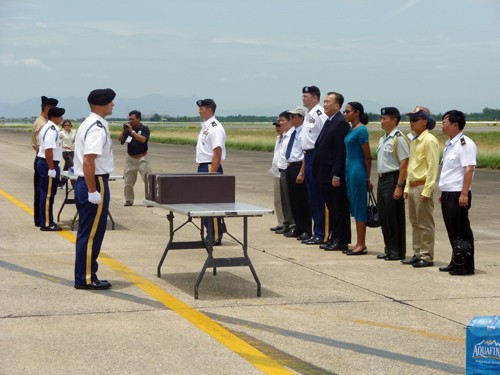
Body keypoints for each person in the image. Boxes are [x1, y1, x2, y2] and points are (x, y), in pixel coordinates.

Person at [73, 88, 116, 290]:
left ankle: (86, 274)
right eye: (111, 102)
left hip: (89, 180)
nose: (113, 105)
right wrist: (93, 190)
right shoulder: (97, 127)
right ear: (101, 104)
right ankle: (87, 277)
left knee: (87, 232)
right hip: (94, 181)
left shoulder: (88, 123)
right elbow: (89, 160)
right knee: (91, 234)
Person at [438, 110, 476, 276]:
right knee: (452, 230)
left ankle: (466, 265)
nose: (442, 125)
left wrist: (464, 193)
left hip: (458, 193)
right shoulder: (450, 144)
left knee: (462, 230)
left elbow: (469, 169)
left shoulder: (464, 143)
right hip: (448, 192)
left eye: (445, 122)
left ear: (455, 124)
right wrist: (443, 191)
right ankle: (456, 261)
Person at [402, 106, 440, 268]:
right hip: (413, 186)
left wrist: (428, 189)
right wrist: (406, 187)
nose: (412, 123)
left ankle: (427, 255)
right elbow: (412, 165)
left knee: (425, 223)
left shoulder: (429, 140)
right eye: (410, 120)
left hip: (422, 186)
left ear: (425, 122)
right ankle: (417, 253)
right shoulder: (415, 140)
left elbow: (432, 167)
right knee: (415, 222)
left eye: (415, 120)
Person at [314, 92, 351, 251]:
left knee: (338, 208)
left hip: (332, 174)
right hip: (323, 173)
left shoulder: (341, 122)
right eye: (325, 101)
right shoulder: (329, 121)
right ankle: (333, 237)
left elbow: (340, 151)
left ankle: (340, 240)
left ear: (337, 105)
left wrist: (336, 174)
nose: (325, 104)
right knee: (331, 207)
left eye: (328, 102)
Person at [376, 107, 410, 261]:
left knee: (394, 216)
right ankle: (388, 248)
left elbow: (404, 163)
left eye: (384, 119)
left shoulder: (399, 138)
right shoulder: (383, 138)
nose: (381, 121)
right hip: (382, 179)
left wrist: (399, 186)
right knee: (384, 216)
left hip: (393, 179)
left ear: (394, 120)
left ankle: (397, 251)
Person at [300, 86, 329, 245]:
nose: (303, 98)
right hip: (307, 156)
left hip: (316, 156)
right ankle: (316, 230)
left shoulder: (319, 114)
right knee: (312, 196)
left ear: (315, 98)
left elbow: (325, 136)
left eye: (306, 96)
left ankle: (322, 233)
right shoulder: (308, 115)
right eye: (303, 96)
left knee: (318, 196)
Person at [343, 102, 372, 255]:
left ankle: (361, 243)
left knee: (360, 206)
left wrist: (368, 178)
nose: (345, 114)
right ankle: (358, 242)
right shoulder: (350, 129)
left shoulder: (361, 130)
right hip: (349, 170)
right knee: (354, 205)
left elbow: (367, 157)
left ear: (357, 113)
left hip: (357, 170)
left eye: (347, 111)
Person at [195, 98, 226, 245]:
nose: (199, 111)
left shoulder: (215, 127)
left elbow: (217, 153)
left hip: (209, 167)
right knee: (204, 203)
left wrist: (212, 175)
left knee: (211, 205)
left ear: (209, 110)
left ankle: (215, 236)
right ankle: (210, 233)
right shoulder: (205, 126)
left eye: (202, 109)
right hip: (203, 166)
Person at [285, 106, 312, 242]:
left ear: (301, 118)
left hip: (298, 167)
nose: (291, 118)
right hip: (290, 167)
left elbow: (304, 154)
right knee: (293, 200)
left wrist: (302, 172)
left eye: (293, 116)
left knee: (302, 201)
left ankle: (306, 229)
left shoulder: (303, 133)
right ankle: (298, 227)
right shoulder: (294, 132)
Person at [37, 106, 65, 231]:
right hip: (48, 164)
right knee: (48, 195)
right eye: (60, 116)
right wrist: (51, 168)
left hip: (46, 163)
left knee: (46, 195)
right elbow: (48, 150)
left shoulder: (48, 127)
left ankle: (46, 220)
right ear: (54, 117)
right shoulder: (52, 129)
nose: (62, 118)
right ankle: (47, 223)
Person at [32, 96, 58, 226]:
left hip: (41, 159)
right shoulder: (43, 124)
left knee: (41, 192)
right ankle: (43, 220)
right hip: (44, 160)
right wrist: (51, 167)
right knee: (45, 194)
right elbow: (42, 147)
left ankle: (41, 219)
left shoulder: (41, 121)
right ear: (48, 109)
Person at [118, 110, 152, 206]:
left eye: (132, 119)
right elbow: (120, 139)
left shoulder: (144, 129)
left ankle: (150, 200)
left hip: (142, 158)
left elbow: (143, 140)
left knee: (148, 179)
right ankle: (129, 200)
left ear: (138, 118)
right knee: (128, 181)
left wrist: (132, 132)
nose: (130, 121)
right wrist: (124, 130)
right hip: (130, 158)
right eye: (129, 119)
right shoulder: (128, 130)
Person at [276, 111, 296, 237]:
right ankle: (287, 223)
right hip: (281, 169)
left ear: (290, 121)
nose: (280, 123)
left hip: (289, 168)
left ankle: (294, 225)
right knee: (284, 200)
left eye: (283, 120)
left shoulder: (293, 135)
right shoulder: (284, 135)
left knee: (290, 200)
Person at [268, 119, 287, 232]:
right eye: (276, 126)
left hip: (283, 172)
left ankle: (286, 223)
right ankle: (281, 222)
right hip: (276, 172)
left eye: (279, 125)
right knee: (277, 200)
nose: (277, 128)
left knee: (284, 200)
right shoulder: (278, 139)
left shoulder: (286, 138)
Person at [58, 119, 76, 189]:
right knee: (71, 165)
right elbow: (57, 141)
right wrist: (62, 145)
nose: (67, 126)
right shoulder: (61, 133)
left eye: (68, 125)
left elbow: (75, 140)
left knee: (66, 168)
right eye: (65, 125)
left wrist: (73, 145)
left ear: (70, 125)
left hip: (72, 151)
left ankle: (61, 184)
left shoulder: (73, 132)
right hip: (65, 151)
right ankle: (74, 184)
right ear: (63, 126)